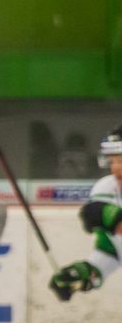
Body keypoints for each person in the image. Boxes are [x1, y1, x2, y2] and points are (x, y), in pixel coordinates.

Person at [49, 127, 122, 300]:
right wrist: (86, 272)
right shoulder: (106, 189)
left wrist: (115, 218)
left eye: (120, 160)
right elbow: (111, 250)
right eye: (112, 161)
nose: (115, 169)